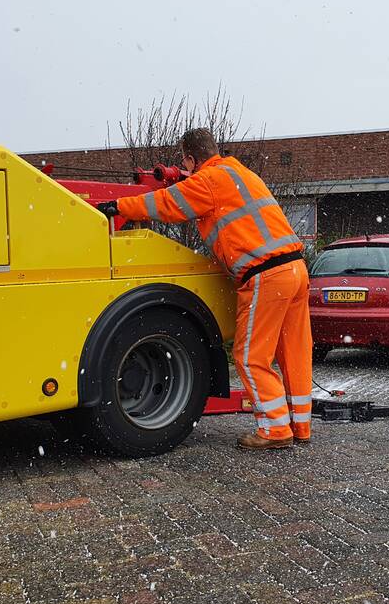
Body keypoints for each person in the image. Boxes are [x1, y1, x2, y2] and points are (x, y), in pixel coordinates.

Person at [98, 128, 313, 450]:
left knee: (251, 356)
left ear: (189, 158)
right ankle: (299, 426)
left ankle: (274, 431)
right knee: (293, 352)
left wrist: (119, 207)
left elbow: (166, 205)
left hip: (265, 275)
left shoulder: (208, 181)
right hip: (295, 270)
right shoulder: (240, 174)